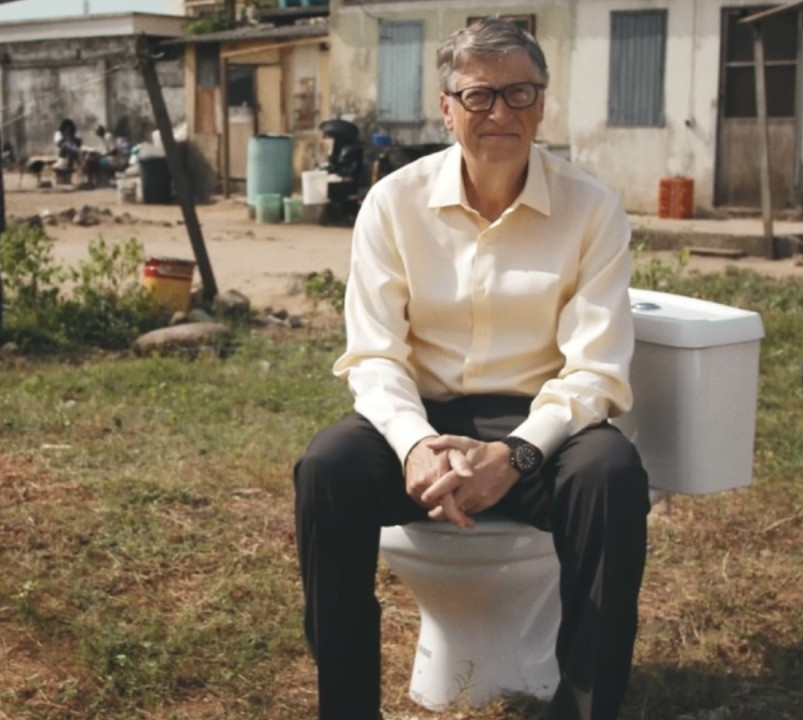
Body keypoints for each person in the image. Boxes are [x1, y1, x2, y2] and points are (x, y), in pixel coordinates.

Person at [293, 18, 650, 720]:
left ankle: (584, 709)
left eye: (520, 93)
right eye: (479, 95)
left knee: (611, 477)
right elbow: (374, 355)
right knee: (328, 468)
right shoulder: (394, 203)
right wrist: (416, 446)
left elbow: (594, 370)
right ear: (447, 108)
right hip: (423, 419)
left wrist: (516, 455)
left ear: (542, 105)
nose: (500, 113)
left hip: (541, 427)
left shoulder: (591, 209)